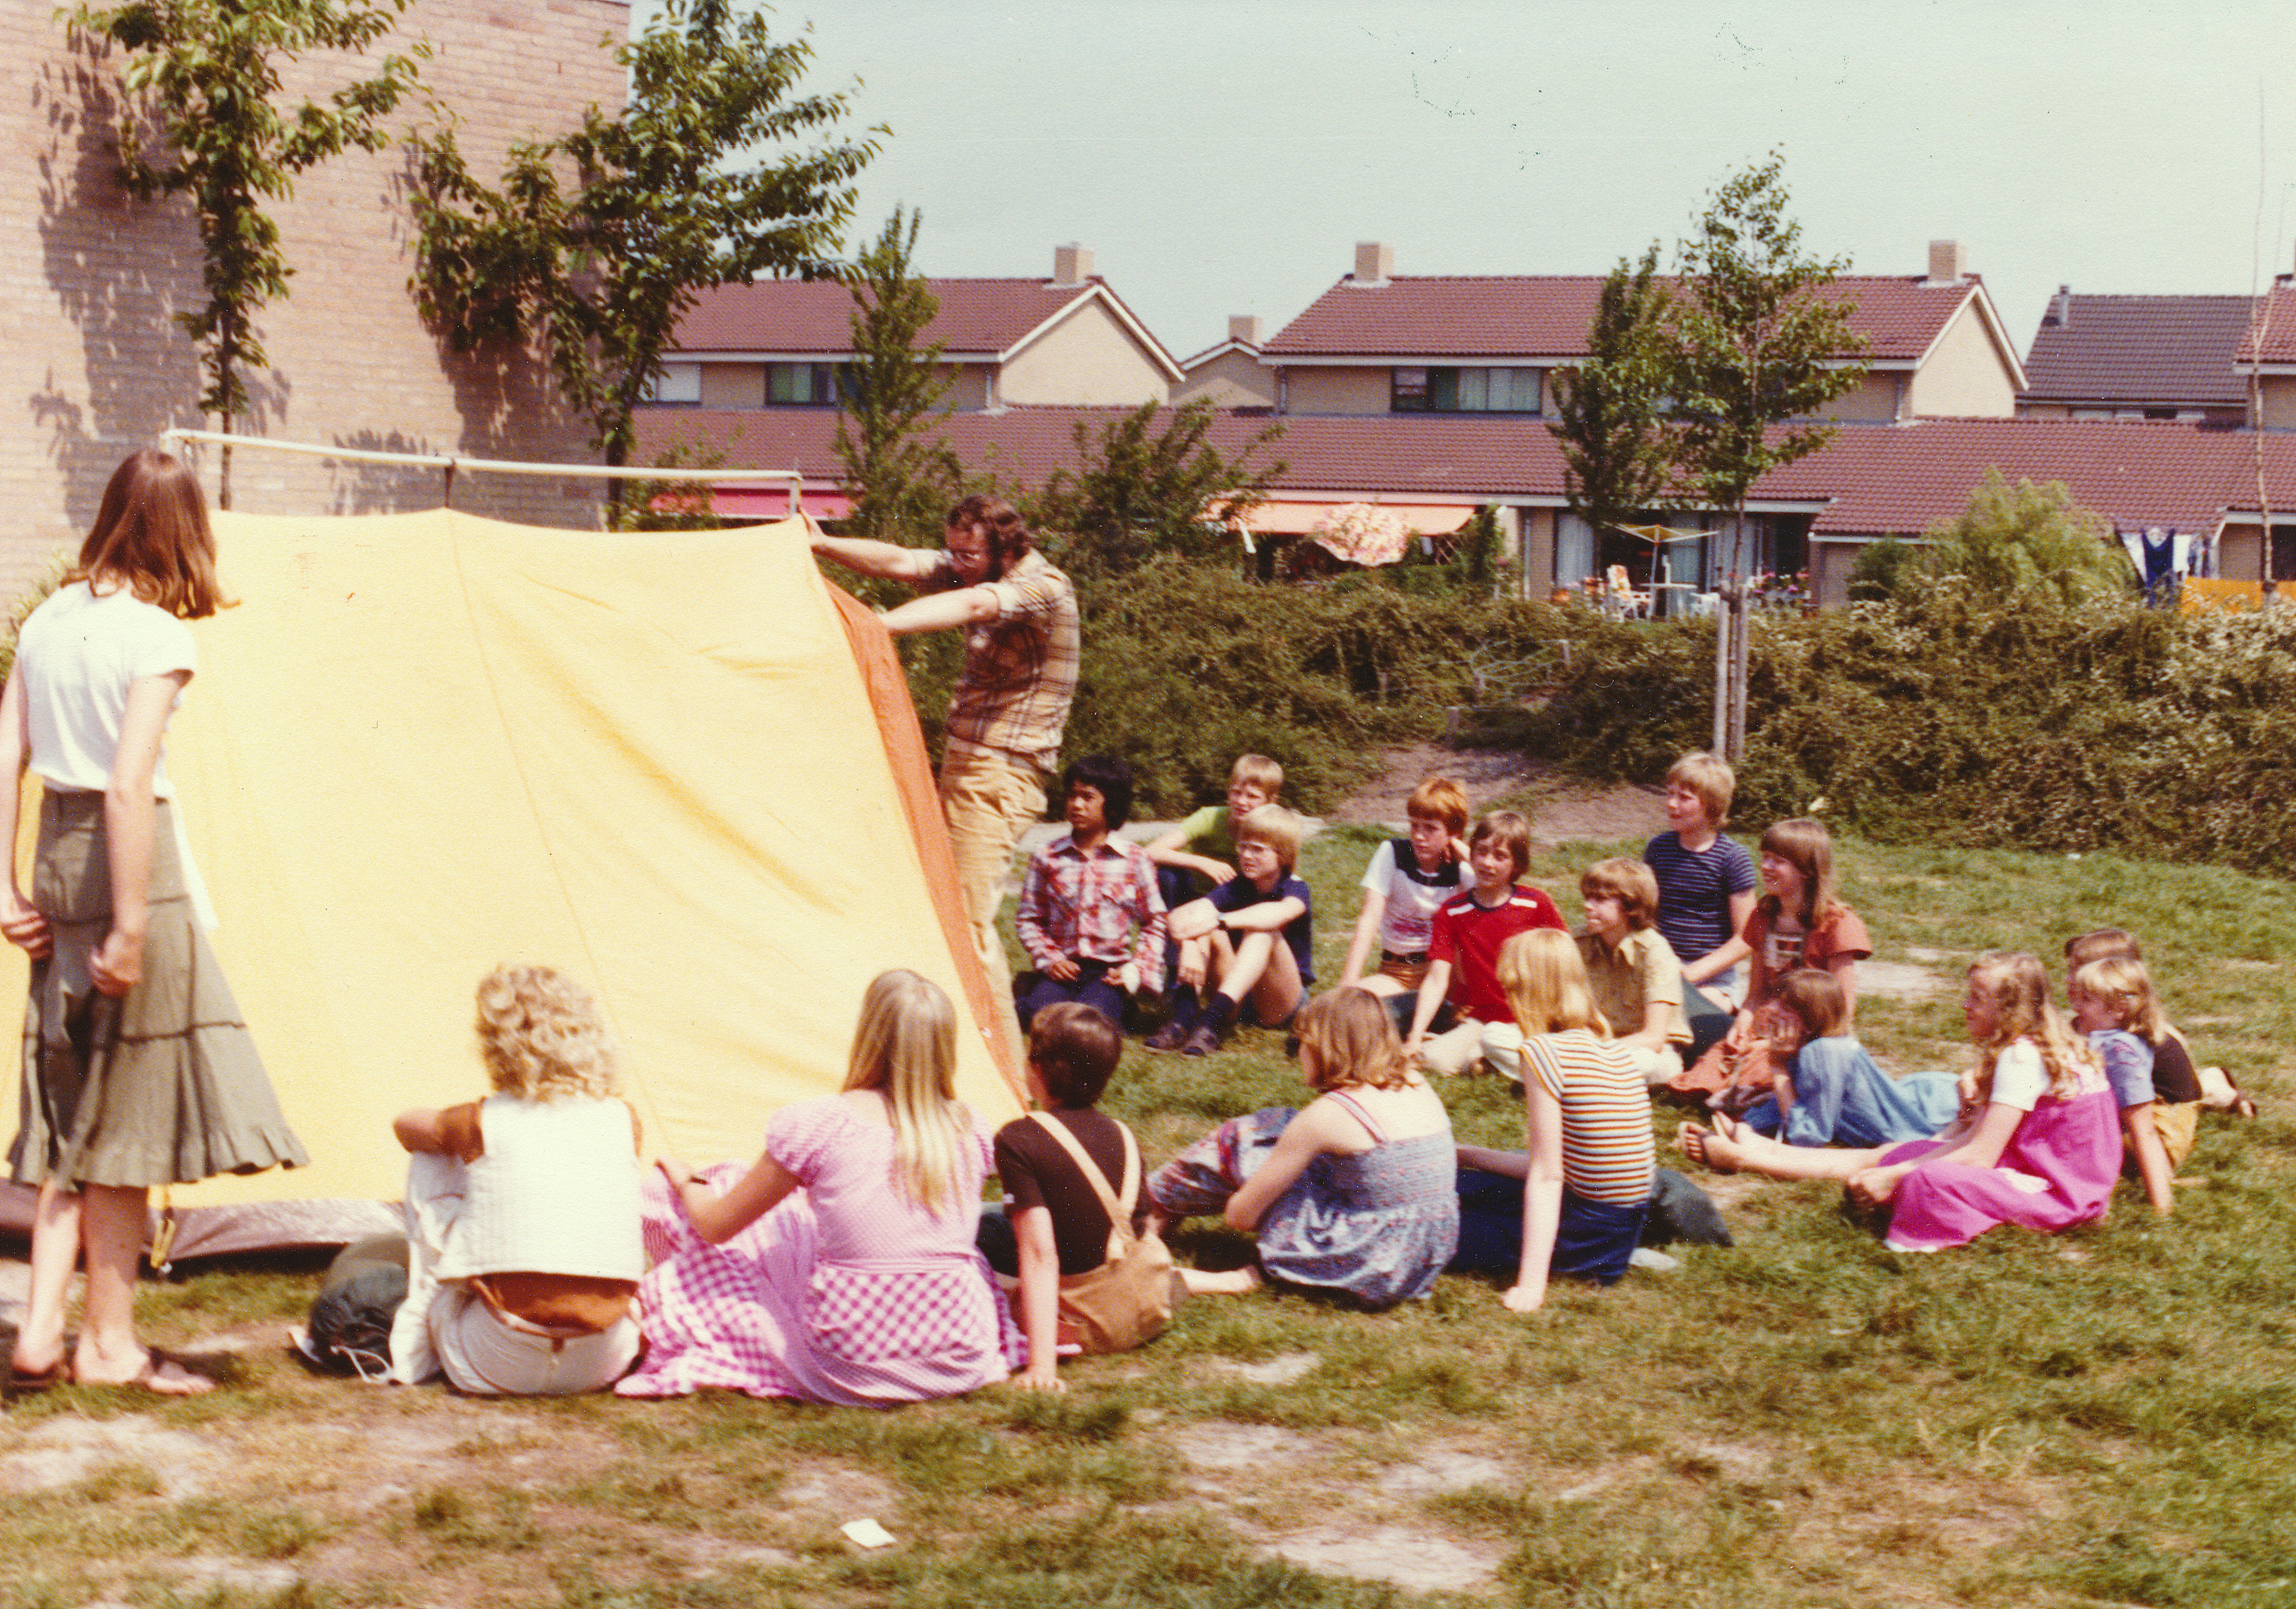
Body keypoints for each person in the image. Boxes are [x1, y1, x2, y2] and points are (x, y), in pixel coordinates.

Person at [2, 448, 306, 1396]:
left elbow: (6, 753)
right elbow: (130, 784)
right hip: (128, 866)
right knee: (125, 1126)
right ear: (185, 531)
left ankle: (41, 1337)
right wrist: (132, 925)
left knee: (71, 1114)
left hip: (53, 863)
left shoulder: (51, 616)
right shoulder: (159, 637)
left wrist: (4, 892)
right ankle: (110, 1347)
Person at [617, 970, 1022, 1403]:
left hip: (852, 1356)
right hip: (960, 1350)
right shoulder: (971, 1127)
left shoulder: (822, 1123)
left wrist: (686, 1180)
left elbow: (716, 1226)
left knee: (708, 1196)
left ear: (869, 1033)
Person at [806, 498, 1079, 1048]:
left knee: (970, 924)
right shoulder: (974, 562)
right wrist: (820, 544)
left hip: (1001, 773)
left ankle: (1002, 1070)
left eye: (970, 552)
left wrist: (872, 628)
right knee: (946, 910)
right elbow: (904, 563)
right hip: (972, 766)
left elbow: (976, 606)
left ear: (1004, 546)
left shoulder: (1043, 586)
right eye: (954, 550)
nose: (960, 562)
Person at [1677, 952, 2121, 1255]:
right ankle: (1757, 1154)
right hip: (2039, 1167)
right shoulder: (2042, 1042)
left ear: (2008, 1010)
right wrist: (1910, 1156)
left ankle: (1746, 1156)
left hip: (2058, 1191)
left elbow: (1981, 1154)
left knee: (1921, 1182)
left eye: (1976, 1000)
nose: (1965, 1007)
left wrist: (1892, 1176)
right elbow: (1972, 1138)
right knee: (1904, 1154)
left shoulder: (2022, 1056)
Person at [388, 965, 644, 1395]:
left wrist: (451, 1133)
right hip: (602, 1361)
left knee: (431, 1160)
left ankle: (421, 1323)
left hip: (495, 1362)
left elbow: (404, 1126)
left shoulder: (479, 1119)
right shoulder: (624, 1119)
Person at [1146, 988, 1458, 1307]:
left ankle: (1151, 1208)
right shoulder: (1416, 1082)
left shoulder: (1327, 1115)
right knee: (1283, 1131)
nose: (1299, 1055)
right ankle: (1162, 1213)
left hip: (1363, 1260)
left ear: (1327, 1047)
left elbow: (1240, 1218)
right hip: (1421, 1259)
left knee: (1243, 1140)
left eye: (1303, 1043)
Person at [1450, 929, 1657, 1307]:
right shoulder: (1613, 1051)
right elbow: (1571, 1165)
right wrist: (1466, 1154)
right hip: (1617, 1232)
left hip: (1586, 1234)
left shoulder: (1542, 1051)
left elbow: (1548, 1176)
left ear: (1525, 990)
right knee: (1460, 1180)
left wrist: (1530, 1286)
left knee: (1429, 1223)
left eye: (1510, 990)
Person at [977, 1003, 1177, 1392]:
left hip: (1079, 1318)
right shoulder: (1122, 1133)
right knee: (992, 1218)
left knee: (973, 1229)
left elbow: (1039, 1253)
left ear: (1037, 1068)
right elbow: (1135, 1230)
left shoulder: (1018, 1139)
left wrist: (1041, 1366)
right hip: (1135, 1304)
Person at [1670, 817, 1871, 1109]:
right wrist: (1742, 1025)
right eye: (1765, 858)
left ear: (1807, 870)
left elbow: (1842, 1012)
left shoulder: (1838, 925)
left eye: (1778, 861)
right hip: (1766, 1025)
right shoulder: (1764, 918)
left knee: (1760, 1070)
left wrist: (1784, 1044)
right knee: (1711, 1069)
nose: (1765, 867)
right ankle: (1741, 1090)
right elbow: (1755, 994)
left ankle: (1754, 1093)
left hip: (1812, 1035)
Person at [1404, 810, 1567, 1078]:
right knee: (1432, 1060)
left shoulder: (1536, 903)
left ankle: (1516, 1063)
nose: (1487, 863)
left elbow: (1566, 960)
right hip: (1481, 1019)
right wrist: (1414, 1036)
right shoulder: (1452, 910)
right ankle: (1488, 1060)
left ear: (1517, 864)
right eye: (1481, 852)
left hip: (1530, 1018)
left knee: (1501, 1045)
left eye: (1500, 856)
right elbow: (1436, 980)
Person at [1012, 754, 1165, 1032]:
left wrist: (1136, 970)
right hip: (1062, 967)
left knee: (1089, 1024)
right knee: (1041, 1019)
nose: (1076, 805)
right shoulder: (1047, 857)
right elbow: (1028, 919)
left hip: (1108, 973)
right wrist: (1050, 959)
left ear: (1112, 803)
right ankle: (1032, 988)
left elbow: (1155, 921)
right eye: (1072, 796)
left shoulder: (1134, 860)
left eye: (1087, 797)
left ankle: (1119, 1003)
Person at [1149, 804, 1314, 1056]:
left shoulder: (1295, 887)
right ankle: (1182, 1020)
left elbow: (1279, 913)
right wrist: (1191, 946)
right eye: (1243, 846)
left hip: (1280, 1002)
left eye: (1257, 850)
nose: (1246, 856)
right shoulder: (1239, 885)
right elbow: (1178, 917)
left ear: (1283, 855)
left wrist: (1219, 920)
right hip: (1239, 998)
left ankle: (1209, 1024)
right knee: (1203, 928)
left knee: (1261, 931)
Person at [1741, 969, 1960, 1147]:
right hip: (1921, 1094)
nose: (1771, 1010)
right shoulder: (1810, 1046)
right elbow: (1800, 1101)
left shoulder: (1822, 1052)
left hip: (1934, 1112)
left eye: (1785, 1007)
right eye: (1773, 999)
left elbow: (1809, 1136)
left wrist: (1777, 1065)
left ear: (1810, 1021)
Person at [1643, 752, 1757, 1061]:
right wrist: (1664, 963)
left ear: (1711, 805)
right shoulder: (1659, 849)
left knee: (1691, 1021)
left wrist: (1689, 974)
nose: (1671, 804)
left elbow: (1747, 937)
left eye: (1684, 798)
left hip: (1712, 978)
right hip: (1661, 963)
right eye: (1670, 794)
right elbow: (1645, 915)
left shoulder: (1732, 858)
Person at [1338, 776, 1471, 1034]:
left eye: (1431, 829)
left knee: (1386, 1020)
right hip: (1396, 972)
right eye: (1414, 826)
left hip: (1442, 974)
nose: (1419, 837)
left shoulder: (1462, 869)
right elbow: (1369, 919)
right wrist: (1348, 982)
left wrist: (1463, 850)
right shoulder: (1393, 854)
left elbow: (1502, 891)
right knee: (1346, 1014)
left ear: (1454, 833)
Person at [2067, 956, 2176, 1218]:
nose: (2075, 1005)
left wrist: (2162, 1208)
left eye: (2086, 1000)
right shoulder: (2092, 1036)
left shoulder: (2120, 1051)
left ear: (2118, 1010)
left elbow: (2143, 1132)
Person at [1575, 858, 1692, 1087]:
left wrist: (1594, 1052)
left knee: (1644, 1063)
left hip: (1648, 1050)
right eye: (1587, 897)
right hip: (1594, 1043)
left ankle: (1566, 1078)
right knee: (1497, 1036)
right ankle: (1581, 1078)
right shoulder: (1578, 942)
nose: (1588, 906)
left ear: (1632, 907)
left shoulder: (1655, 952)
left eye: (1599, 899)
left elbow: (1654, 1038)